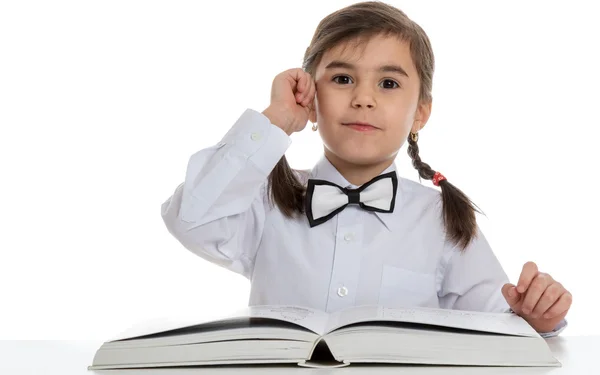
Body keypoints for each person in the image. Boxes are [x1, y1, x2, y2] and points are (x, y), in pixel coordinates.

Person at [161, 1, 571, 336]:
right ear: (310, 98)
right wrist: (276, 119)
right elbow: (191, 219)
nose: (363, 99)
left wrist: (538, 318)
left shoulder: (443, 220)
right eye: (341, 78)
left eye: (388, 84)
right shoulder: (265, 201)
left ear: (420, 114)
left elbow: (496, 326)